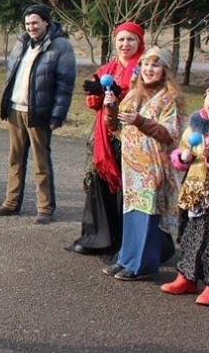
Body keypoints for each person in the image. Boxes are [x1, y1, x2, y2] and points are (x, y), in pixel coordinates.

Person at [103, 46, 183, 281]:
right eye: (146, 64)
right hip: (132, 167)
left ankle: (143, 265)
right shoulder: (134, 93)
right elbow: (115, 126)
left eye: (155, 65)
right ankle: (126, 258)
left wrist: (139, 121)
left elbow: (170, 133)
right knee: (132, 213)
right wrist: (111, 106)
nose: (149, 69)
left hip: (152, 167)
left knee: (147, 215)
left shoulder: (169, 98)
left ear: (164, 70)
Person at [0, 4, 76, 224]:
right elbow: (12, 76)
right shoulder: (22, 43)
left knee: (41, 162)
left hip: (39, 113)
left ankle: (45, 208)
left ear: (46, 22)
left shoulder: (61, 46)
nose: (31, 27)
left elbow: (65, 85)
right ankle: (10, 203)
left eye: (35, 22)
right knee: (14, 159)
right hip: (15, 110)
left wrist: (57, 115)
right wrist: (5, 105)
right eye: (28, 23)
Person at [68, 22, 144, 255]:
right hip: (103, 136)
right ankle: (97, 237)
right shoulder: (106, 69)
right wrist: (98, 93)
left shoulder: (145, 67)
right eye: (121, 40)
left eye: (131, 39)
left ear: (140, 42)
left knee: (128, 189)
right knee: (99, 184)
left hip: (132, 136)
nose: (125, 44)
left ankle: (127, 243)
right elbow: (92, 104)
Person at [164, 86, 209, 305]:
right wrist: (184, 157)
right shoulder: (194, 125)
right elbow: (179, 153)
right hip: (195, 192)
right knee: (191, 236)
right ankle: (187, 277)